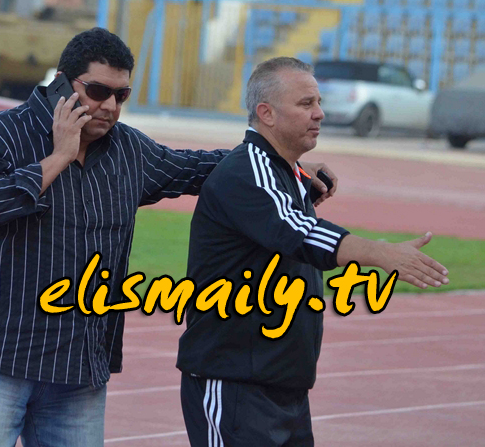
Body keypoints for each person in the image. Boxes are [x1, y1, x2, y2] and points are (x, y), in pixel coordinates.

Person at [0, 29, 336, 446]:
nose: (110, 106)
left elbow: (204, 168)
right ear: (60, 83)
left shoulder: (128, 150)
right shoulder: (2, 133)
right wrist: (59, 157)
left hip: (77, 367)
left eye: (121, 95)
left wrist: (287, 169)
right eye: (98, 91)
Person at [176, 57, 450, 447]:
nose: (319, 113)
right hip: (234, 385)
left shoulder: (284, 171)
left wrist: (301, 174)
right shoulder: (247, 172)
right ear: (267, 113)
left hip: (282, 386)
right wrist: (382, 254)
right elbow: (302, 234)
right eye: (306, 103)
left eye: (318, 102)